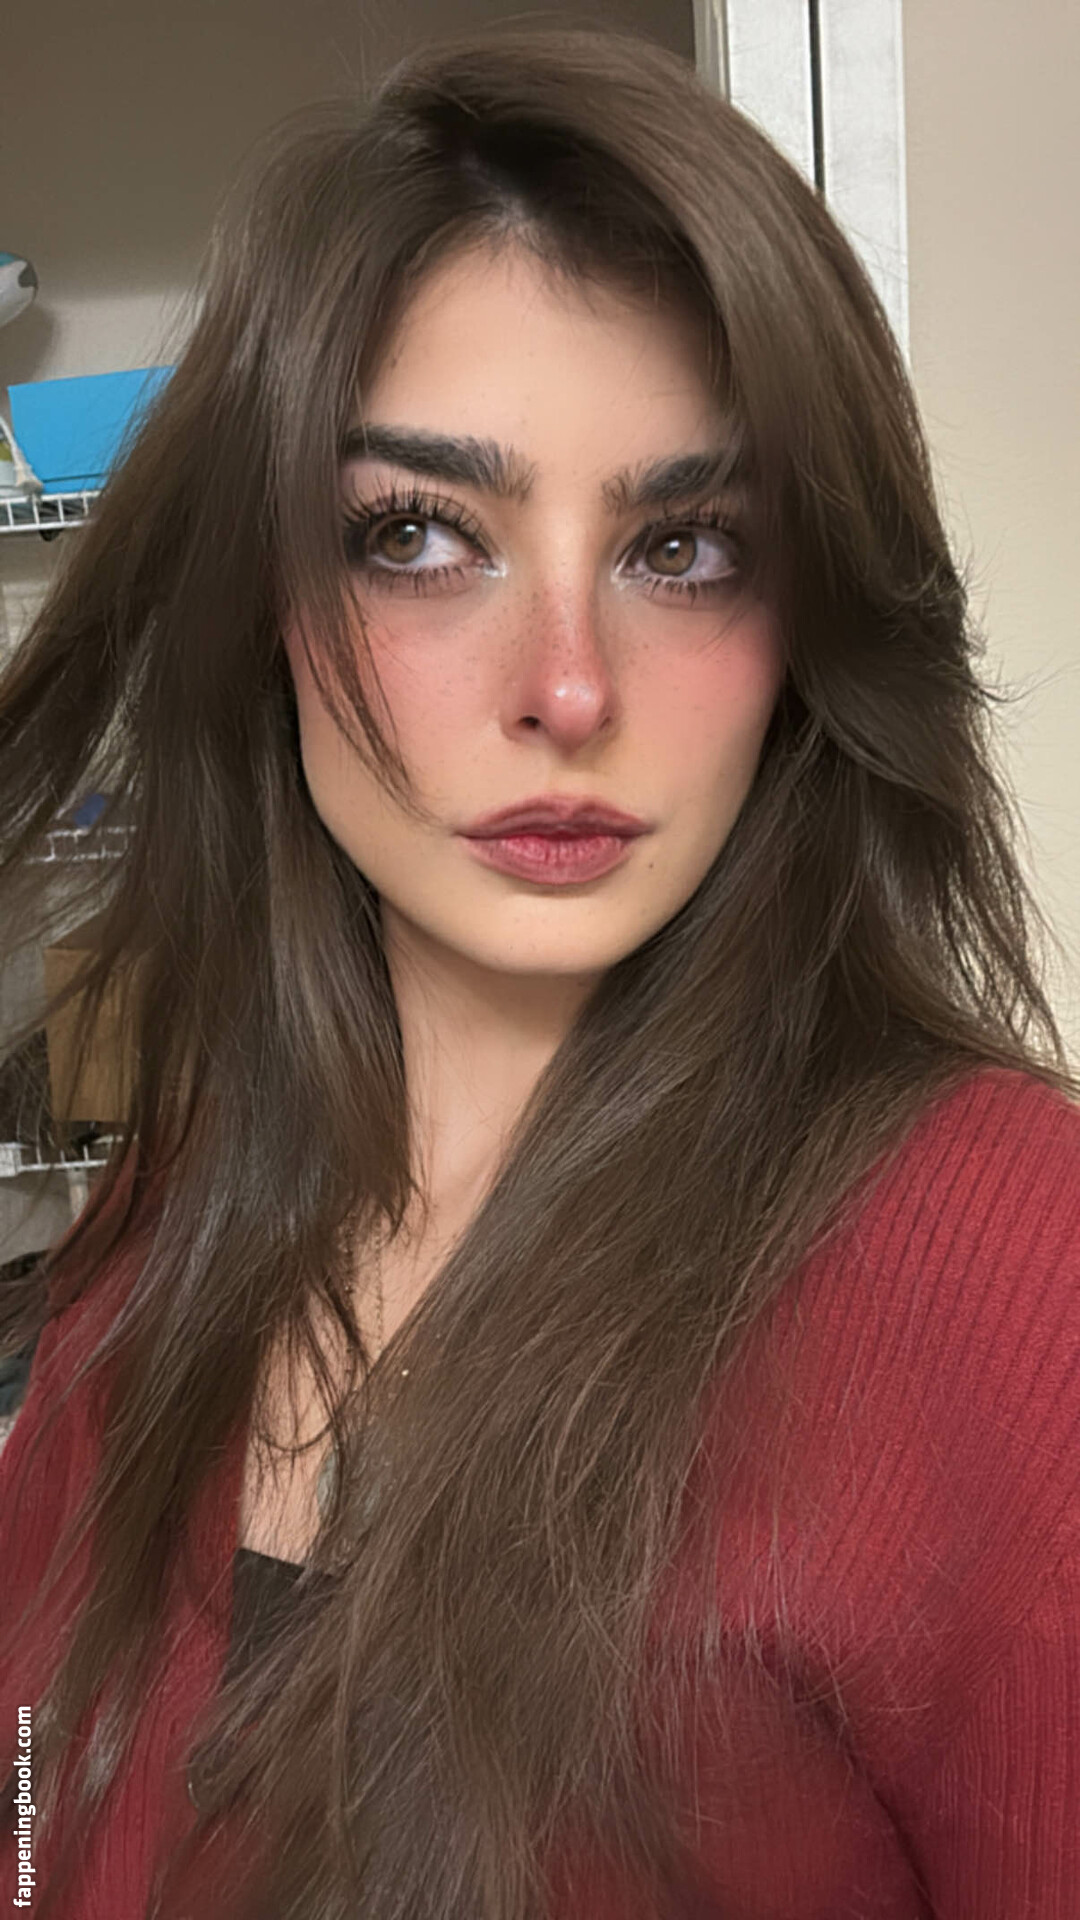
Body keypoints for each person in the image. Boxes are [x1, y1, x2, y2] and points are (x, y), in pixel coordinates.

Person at [1, 22, 1079, 1920]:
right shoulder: (166, 1225)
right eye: (419, 536)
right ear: (269, 604)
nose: (569, 690)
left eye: (688, 548)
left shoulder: (1008, 1261)